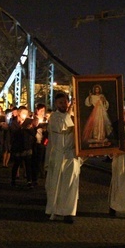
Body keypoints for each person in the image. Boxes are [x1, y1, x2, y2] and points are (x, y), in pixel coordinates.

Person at [44, 92, 82, 224]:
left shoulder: (75, 116)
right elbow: (61, 128)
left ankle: (69, 212)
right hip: (58, 155)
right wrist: (69, 112)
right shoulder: (54, 117)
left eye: (65, 102)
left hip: (71, 154)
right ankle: (54, 209)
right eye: (60, 102)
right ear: (56, 104)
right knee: (57, 185)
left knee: (70, 185)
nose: (64, 105)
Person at [9, 106, 36, 188]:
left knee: (28, 164)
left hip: (27, 145)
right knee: (16, 164)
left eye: (26, 113)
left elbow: (33, 134)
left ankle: (29, 181)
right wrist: (21, 127)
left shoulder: (28, 123)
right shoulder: (14, 123)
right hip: (18, 146)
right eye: (23, 113)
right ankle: (13, 180)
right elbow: (13, 133)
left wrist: (30, 129)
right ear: (19, 113)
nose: (25, 114)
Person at [33, 103, 48, 179]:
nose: (43, 112)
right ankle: (36, 175)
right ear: (37, 111)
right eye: (41, 110)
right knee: (36, 159)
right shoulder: (34, 119)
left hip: (43, 141)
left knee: (43, 159)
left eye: (44, 111)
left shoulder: (45, 119)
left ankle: (42, 172)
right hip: (36, 142)